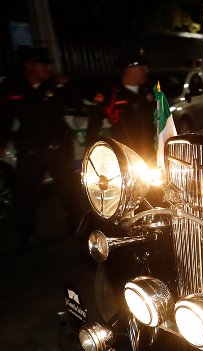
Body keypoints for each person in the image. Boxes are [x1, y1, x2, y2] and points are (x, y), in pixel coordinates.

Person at [0, 46, 84, 247]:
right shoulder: (14, 88)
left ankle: (77, 225)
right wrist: (1, 142)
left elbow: (76, 102)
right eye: (43, 64)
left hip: (58, 146)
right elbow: (4, 117)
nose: (48, 67)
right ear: (29, 66)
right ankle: (26, 235)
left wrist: (68, 85)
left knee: (68, 189)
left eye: (49, 64)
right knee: (25, 193)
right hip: (31, 148)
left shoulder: (55, 85)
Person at [87, 48, 156, 163]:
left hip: (151, 156)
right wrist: (92, 152)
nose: (146, 71)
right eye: (142, 68)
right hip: (124, 157)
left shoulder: (151, 92)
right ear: (129, 69)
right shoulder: (110, 95)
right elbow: (94, 124)